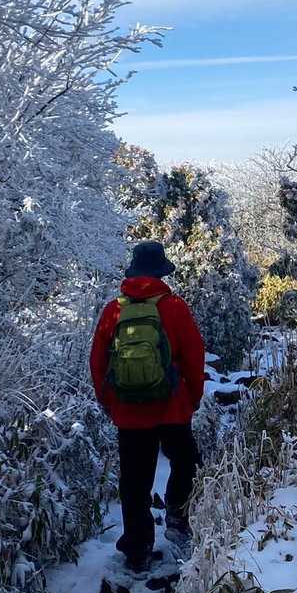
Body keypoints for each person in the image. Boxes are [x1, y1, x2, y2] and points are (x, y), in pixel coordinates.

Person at [90, 240, 205, 573]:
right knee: (186, 463)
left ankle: (137, 550)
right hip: (173, 408)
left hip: (129, 413)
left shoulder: (113, 310)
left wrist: (109, 402)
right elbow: (194, 356)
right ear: (160, 273)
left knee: (134, 481)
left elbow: (97, 362)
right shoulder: (175, 307)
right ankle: (178, 519)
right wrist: (192, 398)